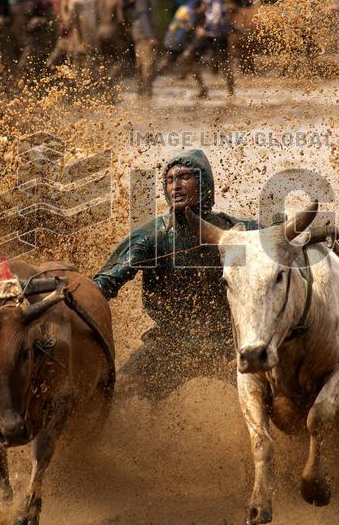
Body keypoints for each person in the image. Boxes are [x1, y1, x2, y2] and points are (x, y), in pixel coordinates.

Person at [93, 149, 260, 402]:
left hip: (230, 346)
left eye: (184, 178)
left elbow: (282, 243)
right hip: (170, 344)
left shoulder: (235, 232)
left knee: (278, 401)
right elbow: (106, 282)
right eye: (169, 180)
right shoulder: (153, 236)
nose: (175, 187)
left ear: (203, 182)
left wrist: (317, 238)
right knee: (114, 396)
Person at [128, 0, 158, 97]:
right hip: (142, 30)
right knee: (147, 63)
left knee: (140, 61)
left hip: (137, 29)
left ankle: (141, 93)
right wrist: (150, 35)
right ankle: (147, 94)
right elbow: (143, 15)